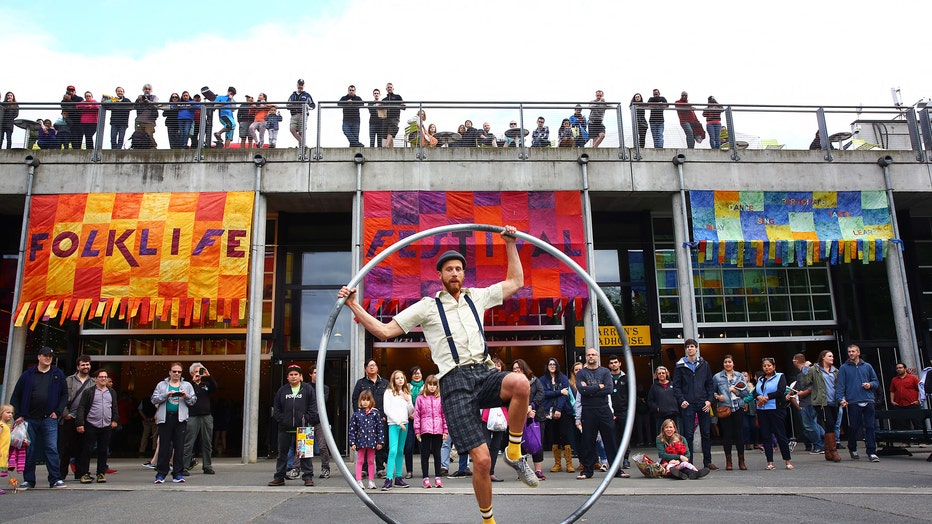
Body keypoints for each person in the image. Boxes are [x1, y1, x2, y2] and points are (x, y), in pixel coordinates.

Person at [338, 225, 536, 524]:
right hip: (454, 383)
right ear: (440, 276)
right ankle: (489, 522)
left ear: (463, 274)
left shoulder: (477, 297)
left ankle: (514, 450)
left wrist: (509, 243)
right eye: (449, 270)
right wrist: (354, 305)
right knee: (481, 461)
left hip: (483, 372)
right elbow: (385, 330)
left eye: (459, 269)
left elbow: (516, 281)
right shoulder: (427, 307)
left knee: (521, 382)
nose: (455, 273)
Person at [9, 346, 68, 489]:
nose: (48, 358)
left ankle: (55, 479)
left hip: (49, 418)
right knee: (30, 450)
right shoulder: (28, 375)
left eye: (50, 356)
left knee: (51, 448)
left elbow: (64, 395)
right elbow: (16, 396)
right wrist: (18, 415)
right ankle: (29, 480)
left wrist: (58, 412)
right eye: (45, 355)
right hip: (29, 419)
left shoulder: (57, 374)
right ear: (39, 357)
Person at [575, 347, 625, 480]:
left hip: (604, 409)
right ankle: (587, 471)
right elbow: (581, 390)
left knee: (611, 440)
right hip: (588, 411)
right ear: (586, 357)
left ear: (597, 357)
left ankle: (616, 470)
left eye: (593, 354)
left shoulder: (605, 372)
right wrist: (598, 387)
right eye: (588, 355)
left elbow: (608, 389)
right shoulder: (581, 373)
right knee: (588, 441)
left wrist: (589, 389)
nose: (591, 357)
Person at [268, 364, 319, 486]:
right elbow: (276, 409)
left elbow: (313, 407)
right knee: (282, 454)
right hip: (284, 428)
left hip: (304, 428)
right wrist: (283, 420)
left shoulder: (308, 389)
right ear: (287, 377)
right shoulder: (282, 391)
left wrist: (305, 419)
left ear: (301, 376)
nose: (293, 377)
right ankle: (279, 477)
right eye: (291, 375)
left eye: (296, 374)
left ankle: (308, 477)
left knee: (305, 454)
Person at [672, 338, 717, 470]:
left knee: (706, 433)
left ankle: (707, 462)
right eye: (688, 347)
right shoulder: (680, 366)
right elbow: (676, 386)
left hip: (703, 403)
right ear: (685, 350)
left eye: (692, 346)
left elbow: (710, 384)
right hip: (688, 404)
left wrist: (709, 400)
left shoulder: (704, 364)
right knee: (688, 434)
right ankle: (689, 462)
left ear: (696, 349)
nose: (690, 349)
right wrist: (681, 400)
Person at [150, 362, 197, 484]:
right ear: (170, 372)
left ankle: (178, 473)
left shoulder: (186, 385)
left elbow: (193, 401)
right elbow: (153, 399)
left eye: (179, 372)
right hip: (165, 418)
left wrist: (186, 396)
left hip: (180, 419)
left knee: (179, 447)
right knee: (164, 447)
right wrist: (165, 395)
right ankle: (161, 473)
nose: (176, 374)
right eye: (174, 371)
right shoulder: (161, 385)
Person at [835, 344, 880, 462]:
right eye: (849, 351)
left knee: (870, 426)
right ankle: (852, 448)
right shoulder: (844, 368)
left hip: (868, 399)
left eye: (853, 351)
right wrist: (840, 399)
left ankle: (872, 451)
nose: (851, 353)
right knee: (854, 426)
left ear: (858, 352)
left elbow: (875, 381)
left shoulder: (867, 366)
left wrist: (870, 385)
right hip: (853, 401)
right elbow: (841, 385)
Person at [75, 368, 118, 484]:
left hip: (106, 425)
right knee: (87, 450)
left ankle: (101, 473)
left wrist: (115, 420)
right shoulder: (89, 392)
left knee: (103, 450)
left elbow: (114, 407)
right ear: (95, 379)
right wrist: (80, 423)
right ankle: (84, 473)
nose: (103, 379)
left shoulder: (111, 392)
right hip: (91, 424)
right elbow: (82, 407)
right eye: (101, 377)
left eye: (105, 377)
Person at [798, 350, 842, 462]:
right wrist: (805, 369)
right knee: (830, 423)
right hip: (821, 402)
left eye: (832, 356)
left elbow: (839, 386)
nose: (832, 358)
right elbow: (805, 382)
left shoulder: (835, 371)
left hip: (834, 401)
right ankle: (833, 451)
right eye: (830, 356)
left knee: (831, 425)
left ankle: (827, 452)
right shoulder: (815, 370)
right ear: (823, 357)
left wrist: (842, 398)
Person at [351, 359, 389, 478]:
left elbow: (389, 401)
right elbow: (355, 399)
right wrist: (359, 415)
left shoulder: (385, 383)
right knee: (365, 444)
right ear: (365, 369)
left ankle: (380, 468)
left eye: (374, 365)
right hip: (364, 420)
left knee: (381, 444)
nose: (372, 367)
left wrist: (384, 415)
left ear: (377, 367)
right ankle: (364, 469)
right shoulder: (361, 383)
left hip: (380, 419)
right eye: (369, 366)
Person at [755, 357, 794, 470]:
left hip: (776, 409)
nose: (767, 368)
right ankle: (770, 462)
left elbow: (781, 391)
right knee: (766, 436)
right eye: (764, 366)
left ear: (774, 366)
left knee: (780, 435)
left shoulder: (780, 376)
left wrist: (767, 397)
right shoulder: (760, 379)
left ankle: (787, 461)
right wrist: (758, 397)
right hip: (762, 410)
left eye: (769, 365)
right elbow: (754, 393)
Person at [712, 355, 749, 471]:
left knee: (739, 434)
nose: (727, 364)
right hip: (725, 408)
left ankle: (741, 461)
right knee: (727, 435)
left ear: (733, 364)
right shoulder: (717, 377)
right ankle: (729, 462)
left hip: (738, 407)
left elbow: (746, 392)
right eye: (725, 362)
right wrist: (718, 397)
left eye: (729, 362)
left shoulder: (740, 376)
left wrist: (736, 391)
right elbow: (711, 392)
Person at [60, 355, 92, 481]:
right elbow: (61, 398)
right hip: (70, 417)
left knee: (83, 447)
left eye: (87, 364)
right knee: (66, 448)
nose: (86, 367)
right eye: (83, 365)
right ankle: (61, 474)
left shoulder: (93, 382)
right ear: (78, 366)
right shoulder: (69, 380)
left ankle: (81, 473)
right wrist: (65, 414)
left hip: (85, 419)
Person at [513, 359, 546, 481]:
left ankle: (538, 471)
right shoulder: (512, 384)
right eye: (514, 368)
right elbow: (511, 399)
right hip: (520, 417)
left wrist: (532, 407)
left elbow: (541, 394)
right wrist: (524, 410)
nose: (516, 370)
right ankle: (523, 472)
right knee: (521, 445)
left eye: (518, 368)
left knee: (537, 443)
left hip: (536, 416)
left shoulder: (535, 381)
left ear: (524, 368)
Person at [381, 370, 414, 490]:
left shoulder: (407, 393)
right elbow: (387, 410)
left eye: (402, 377)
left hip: (405, 424)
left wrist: (408, 401)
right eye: (397, 378)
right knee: (393, 450)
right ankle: (389, 478)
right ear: (393, 380)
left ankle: (398, 477)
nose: (400, 379)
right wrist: (398, 421)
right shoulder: (389, 392)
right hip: (394, 424)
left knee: (400, 450)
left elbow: (411, 412)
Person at [182, 362, 216, 475]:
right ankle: (184, 466)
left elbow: (215, 387)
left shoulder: (206, 384)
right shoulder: (188, 384)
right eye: (196, 371)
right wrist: (193, 381)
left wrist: (208, 375)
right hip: (192, 416)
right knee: (189, 442)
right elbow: (184, 394)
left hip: (206, 415)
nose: (198, 374)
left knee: (207, 441)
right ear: (192, 373)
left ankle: (207, 466)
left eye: (200, 371)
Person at [541, 358, 572, 474]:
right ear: (547, 366)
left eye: (554, 364)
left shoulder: (563, 378)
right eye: (550, 364)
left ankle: (569, 464)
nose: (552, 366)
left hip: (563, 411)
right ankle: (557, 463)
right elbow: (544, 394)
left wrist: (558, 409)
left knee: (565, 435)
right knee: (553, 436)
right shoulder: (543, 379)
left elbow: (565, 395)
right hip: (548, 412)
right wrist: (558, 392)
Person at [349, 390, 384, 490]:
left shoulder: (375, 413)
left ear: (371, 401)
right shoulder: (356, 414)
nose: (365, 402)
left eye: (367, 400)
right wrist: (352, 442)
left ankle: (371, 481)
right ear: (360, 401)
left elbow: (380, 428)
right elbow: (352, 429)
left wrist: (380, 441)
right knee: (360, 460)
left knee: (370, 461)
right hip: (360, 441)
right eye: (363, 400)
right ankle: (359, 480)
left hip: (372, 441)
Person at [792, 353, 825, 454]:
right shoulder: (801, 373)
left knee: (809, 425)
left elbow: (811, 386)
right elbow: (799, 386)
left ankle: (819, 445)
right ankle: (827, 439)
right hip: (809, 401)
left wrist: (802, 393)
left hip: (808, 402)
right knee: (813, 424)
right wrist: (791, 393)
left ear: (795, 361)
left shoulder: (805, 371)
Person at [483, 357, 508, 482]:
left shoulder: (506, 380)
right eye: (494, 365)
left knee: (495, 446)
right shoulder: (485, 379)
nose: (497, 367)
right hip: (486, 415)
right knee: (485, 444)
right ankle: (484, 472)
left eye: (499, 365)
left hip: (501, 416)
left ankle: (491, 472)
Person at [607, 355, 631, 470]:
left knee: (625, 436)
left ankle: (626, 459)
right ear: (609, 365)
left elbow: (631, 395)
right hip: (610, 412)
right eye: (611, 363)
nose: (614, 365)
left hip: (624, 411)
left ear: (620, 363)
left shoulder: (626, 378)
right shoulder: (607, 378)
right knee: (612, 437)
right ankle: (615, 460)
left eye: (615, 362)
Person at [308, 364, 332, 479]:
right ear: (310, 374)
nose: (317, 375)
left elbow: (322, 401)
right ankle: (298, 469)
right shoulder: (306, 387)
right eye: (315, 372)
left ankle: (326, 468)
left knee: (322, 446)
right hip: (307, 419)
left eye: (319, 372)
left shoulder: (324, 388)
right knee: (303, 447)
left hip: (320, 420)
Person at [403, 367, 424, 479]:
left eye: (419, 373)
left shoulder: (425, 386)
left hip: (422, 421)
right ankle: (409, 471)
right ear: (411, 376)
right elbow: (402, 403)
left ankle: (424, 471)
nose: (417, 375)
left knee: (423, 447)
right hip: (410, 420)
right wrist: (409, 414)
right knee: (408, 447)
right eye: (415, 374)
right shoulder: (407, 387)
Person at [647, 366, 678, 437]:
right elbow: (650, 400)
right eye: (659, 373)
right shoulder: (654, 387)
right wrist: (656, 408)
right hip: (661, 415)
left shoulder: (673, 385)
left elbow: (679, 396)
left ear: (666, 374)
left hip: (674, 414)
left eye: (663, 373)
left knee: (675, 435)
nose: (661, 374)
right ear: (656, 375)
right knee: (662, 435)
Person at [890, 362, 921, 429]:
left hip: (912, 405)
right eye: (897, 368)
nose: (898, 369)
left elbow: (920, 389)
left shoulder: (913, 378)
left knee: (917, 424)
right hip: (900, 405)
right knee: (903, 425)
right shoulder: (894, 380)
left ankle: (920, 439)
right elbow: (892, 391)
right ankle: (908, 439)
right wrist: (892, 401)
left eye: (900, 368)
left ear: (905, 369)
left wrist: (918, 400)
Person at [288, 79, 316, 145]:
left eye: (301, 85)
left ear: (303, 86)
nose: (300, 86)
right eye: (299, 84)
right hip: (294, 115)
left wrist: (307, 106)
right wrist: (290, 105)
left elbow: (313, 105)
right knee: (292, 129)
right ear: (297, 85)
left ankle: (301, 147)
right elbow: (287, 105)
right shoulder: (292, 95)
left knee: (302, 131)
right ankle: (301, 142)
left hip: (302, 115)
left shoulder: (307, 95)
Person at [134, 84, 159, 148]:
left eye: (149, 89)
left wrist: (149, 102)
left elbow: (156, 105)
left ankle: (154, 147)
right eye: (146, 89)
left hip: (150, 121)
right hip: (139, 120)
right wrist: (138, 100)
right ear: (143, 90)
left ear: (151, 90)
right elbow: (135, 107)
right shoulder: (140, 98)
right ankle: (140, 148)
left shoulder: (154, 97)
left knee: (149, 134)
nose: (147, 90)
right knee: (139, 135)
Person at [382, 83, 404, 147]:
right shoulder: (384, 100)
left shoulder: (397, 97)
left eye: (390, 87)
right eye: (388, 87)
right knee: (388, 134)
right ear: (386, 89)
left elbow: (403, 107)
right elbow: (381, 109)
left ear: (393, 88)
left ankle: (386, 146)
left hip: (395, 117)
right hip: (386, 118)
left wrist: (401, 105)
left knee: (391, 132)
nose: (389, 88)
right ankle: (391, 149)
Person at [62, 85, 84, 149]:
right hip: (71, 122)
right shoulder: (64, 101)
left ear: (75, 92)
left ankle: (78, 150)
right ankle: (75, 149)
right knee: (73, 137)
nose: (71, 92)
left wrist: (70, 101)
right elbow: (64, 109)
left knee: (80, 136)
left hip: (79, 121)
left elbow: (79, 107)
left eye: (72, 91)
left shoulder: (79, 99)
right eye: (69, 91)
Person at [137, 395, 158, 460]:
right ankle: (154, 449)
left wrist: (145, 418)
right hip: (153, 420)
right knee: (155, 435)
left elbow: (140, 409)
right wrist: (153, 417)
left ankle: (142, 450)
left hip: (145, 420)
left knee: (145, 435)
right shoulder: (157, 400)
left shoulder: (144, 400)